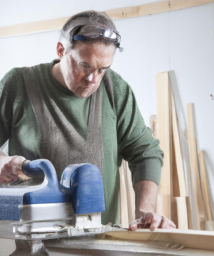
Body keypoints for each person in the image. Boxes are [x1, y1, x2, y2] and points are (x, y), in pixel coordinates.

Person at [0, 10, 176, 231]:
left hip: (99, 236)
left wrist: (146, 210)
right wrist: (2, 163)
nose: (93, 79)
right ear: (61, 50)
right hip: (32, 236)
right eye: (84, 66)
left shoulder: (116, 90)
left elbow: (144, 151)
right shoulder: (18, 85)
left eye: (102, 69)